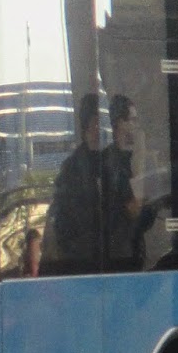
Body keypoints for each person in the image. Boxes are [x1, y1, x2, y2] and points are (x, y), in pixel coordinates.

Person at [46, 93, 104, 273]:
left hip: (105, 261)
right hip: (82, 263)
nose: (103, 128)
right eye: (99, 121)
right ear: (89, 124)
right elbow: (65, 219)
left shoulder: (108, 160)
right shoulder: (73, 168)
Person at [102, 94, 160, 270]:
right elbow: (133, 210)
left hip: (136, 252)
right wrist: (140, 161)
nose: (136, 127)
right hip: (118, 256)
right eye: (132, 121)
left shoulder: (131, 158)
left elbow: (149, 212)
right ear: (119, 123)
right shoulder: (109, 162)